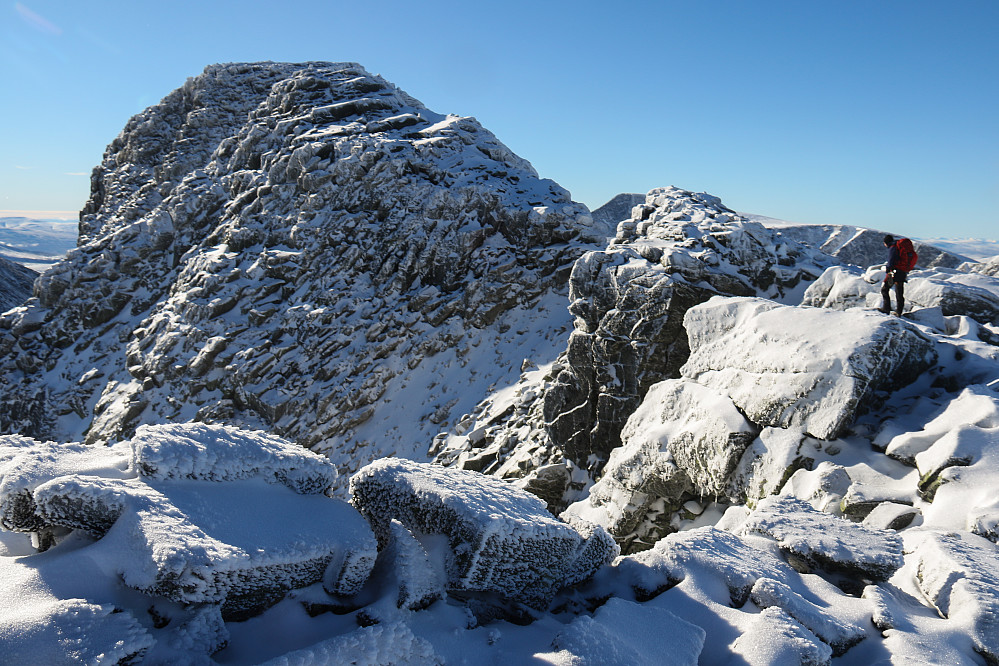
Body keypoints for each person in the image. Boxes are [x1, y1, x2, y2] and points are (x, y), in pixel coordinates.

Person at [880, 235, 906, 315]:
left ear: (886, 242)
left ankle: (886, 309)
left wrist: (887, 270)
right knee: (899, 292)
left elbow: (891, 261)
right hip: (902, 272)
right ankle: (899, 312)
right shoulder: (899, 247)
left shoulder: (893, 248)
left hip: (895, 272)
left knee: (884, 289)